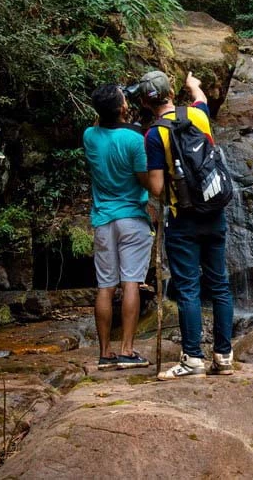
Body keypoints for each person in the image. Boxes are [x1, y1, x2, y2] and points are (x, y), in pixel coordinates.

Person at [141, 70, 235, 379]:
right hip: (214, 211)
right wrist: (193, 85)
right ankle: (223, 357)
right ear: (170, 91)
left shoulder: (155, 134)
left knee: (188, 288)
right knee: (219, 284)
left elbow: (156, 187)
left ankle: (193, 358)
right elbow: (201, 99)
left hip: (183, 219)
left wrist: (138, 174)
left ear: (145, 102)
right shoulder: (198, 116)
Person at [83, 84, 153, 370]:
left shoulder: (89, 136)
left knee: (105, 286)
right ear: (123, 109)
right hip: (132, 218)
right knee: (131, 282)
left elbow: (99, 123)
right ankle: (126, 349)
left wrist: (113, 110)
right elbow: (147, 181)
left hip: (103, 220)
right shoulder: (134, 141)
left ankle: (104, 353)